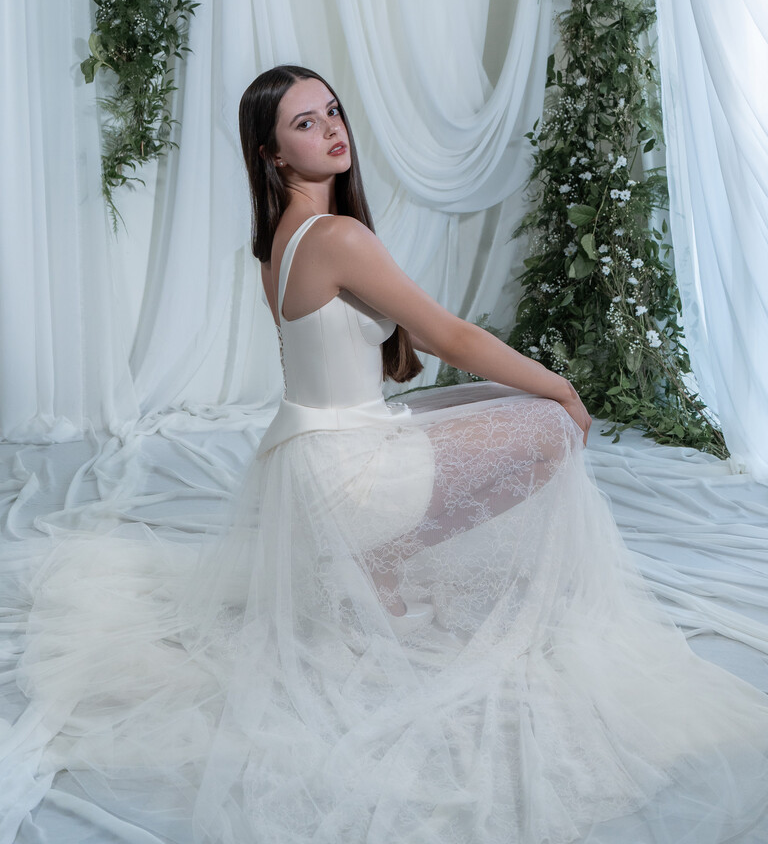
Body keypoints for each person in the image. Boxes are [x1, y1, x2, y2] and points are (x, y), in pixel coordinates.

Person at [2, 64, 768, 844]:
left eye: (332, 111)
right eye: (305, 123)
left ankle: (379, 555)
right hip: (349, 473)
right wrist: (565, 389)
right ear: (271, 154)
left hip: (311, 460)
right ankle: (384, 549)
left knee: (500, 412)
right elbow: (450, 337)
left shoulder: (282, 240)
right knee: (544, 425)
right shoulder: (335, 235)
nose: (332, 129)